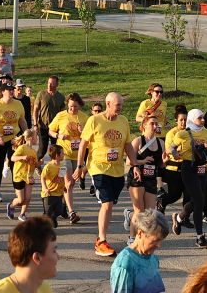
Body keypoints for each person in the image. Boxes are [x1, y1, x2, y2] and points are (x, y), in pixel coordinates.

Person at [80, 92, 134, 257]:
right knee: (107, 203)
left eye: (121, 105)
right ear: (108, 104)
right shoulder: (95, 120)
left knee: (110, 203)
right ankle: (101, 241)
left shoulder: (123, 121)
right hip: (98, 167)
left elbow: (127, 144)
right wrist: (80, 165)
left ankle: (128, 217)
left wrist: (135, 163)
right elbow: (83, 144)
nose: (120, 108)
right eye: (118, 105)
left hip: (117, 170)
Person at [179, 108, 207, 242]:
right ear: (192, 119)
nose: (203, 120)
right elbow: (171, 148)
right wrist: (173, 153)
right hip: (188, 168)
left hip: (202, 169)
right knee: (198, 200)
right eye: (200, 118)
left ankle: (179, 217)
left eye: (203, 118)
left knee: (199, 199)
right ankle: (200, 236)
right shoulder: (183, 134)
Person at [47, 93, 87, 224]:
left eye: (75, 107)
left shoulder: (84, 117)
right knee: (68, 182)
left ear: (79, 105)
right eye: (70, 107)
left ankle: (63, 207)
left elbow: (89, 137)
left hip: (78, 156)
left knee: (71, 184)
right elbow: (50, 131)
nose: (73, 109)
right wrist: (58, 135)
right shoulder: (61, 116)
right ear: (67, 105)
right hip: (63, 155)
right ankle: (71, 212)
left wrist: (82, 132)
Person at [125, 117, 163, 244]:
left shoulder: (160, 143)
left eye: (156, 123)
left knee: (149, 213)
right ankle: (132, 237)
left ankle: (130, 216)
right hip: (137, 177)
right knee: (139, 211)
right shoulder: (138, 141)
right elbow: (128, 161)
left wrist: (166, 159)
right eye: (152, 123)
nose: (155, 126)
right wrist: (142, 161)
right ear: (144, 126)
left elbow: (161, 165)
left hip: (151, 179)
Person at [7, 128, 40, 221]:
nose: (37, 138)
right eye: (36, 137)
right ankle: (11, 206)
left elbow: (35, 164)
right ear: (29, 138)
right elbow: (12, 158)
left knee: (28, 198)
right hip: (19, 175)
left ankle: (22, 214)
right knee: (21, 200)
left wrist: (39, 164)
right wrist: (22, 157)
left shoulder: (34, 151)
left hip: (29, 176)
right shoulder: (22, 148)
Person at [32, 76, 65, 158]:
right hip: (43, 126)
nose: (49, 85)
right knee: (42, 150)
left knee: (55, 150)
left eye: (52, 84)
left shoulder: (60, 97)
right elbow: (35, 110)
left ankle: (53, 168)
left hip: (55, 128)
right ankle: (36, 164)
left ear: (57, 85)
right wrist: (35, 124)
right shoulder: (41, 94)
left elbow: (63, 114)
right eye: (49, 83)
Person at [39, 145, 67, 227]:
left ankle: (53, 218)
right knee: (48, 212)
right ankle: (43, 226)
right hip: (49, 194)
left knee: (60, 210)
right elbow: (42, 178)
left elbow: (61, 178)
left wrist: (64, 186)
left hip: (59, 193)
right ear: (57, 155)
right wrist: (45, 188)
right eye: (62, 153)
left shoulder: (62, 165)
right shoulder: (48, 166)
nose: (64, 154)